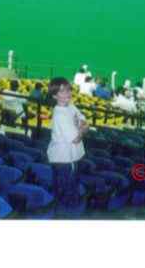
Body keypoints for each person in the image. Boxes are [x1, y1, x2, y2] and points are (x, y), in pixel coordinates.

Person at [47, 77, 88, 215]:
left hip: (74, 156)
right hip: (63, 160)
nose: (67, 94)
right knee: (66, 193)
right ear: (54, 96)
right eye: (62, 91)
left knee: (72, 188)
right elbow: (77, 138)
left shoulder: (71, 106)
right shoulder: (59, 114)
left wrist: (80, 126)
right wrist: (81, 128)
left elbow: (84, 121)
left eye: (68, 90)